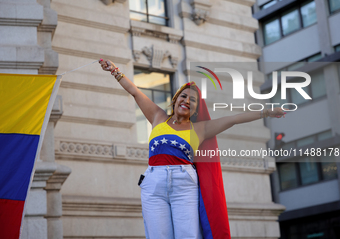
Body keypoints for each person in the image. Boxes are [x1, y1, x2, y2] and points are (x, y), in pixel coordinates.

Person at [99, 59, 287, 239]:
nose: (187, 101)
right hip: (153, 183)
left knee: (187, 236)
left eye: (193, 100)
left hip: (184, 184)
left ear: (196, 109)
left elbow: (234, 119)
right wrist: (114, 70)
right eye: (184, 96)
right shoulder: (158, 116)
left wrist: (267, 112)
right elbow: (135, 91)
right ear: (175, 99)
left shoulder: (200, 129)